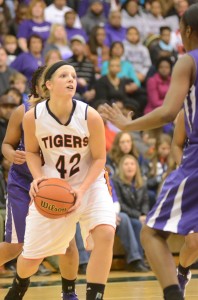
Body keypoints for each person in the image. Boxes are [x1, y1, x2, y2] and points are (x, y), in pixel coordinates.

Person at [100, 3, 198, 300]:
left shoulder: (187, 60)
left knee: (152, 233)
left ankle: (173, 296)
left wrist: (126, 126)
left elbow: (168, 112)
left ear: (187, 31)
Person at [5, 61, 116, 300]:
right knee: (30, 258)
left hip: (90, 183)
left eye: (74, 76)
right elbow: (32, 152)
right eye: (64, 75)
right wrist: (38, 180)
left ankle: (92, 296)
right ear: (48, 85)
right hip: (54, 186)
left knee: (106, 233)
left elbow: (99, 159)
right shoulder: (32, 116)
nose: (71, 80)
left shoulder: (90, 115)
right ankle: (19, 283)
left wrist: (82, 189)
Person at [2, 66, 80, 300]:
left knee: (68, 243)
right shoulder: (23, 111)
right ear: (40, 86)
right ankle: (20, 285)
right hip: (24, 182)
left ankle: (69, 293)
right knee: (17, 245)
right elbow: (7, 143)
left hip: (56, 184)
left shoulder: (72, 111)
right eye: (55, 78)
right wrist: (10, 154)